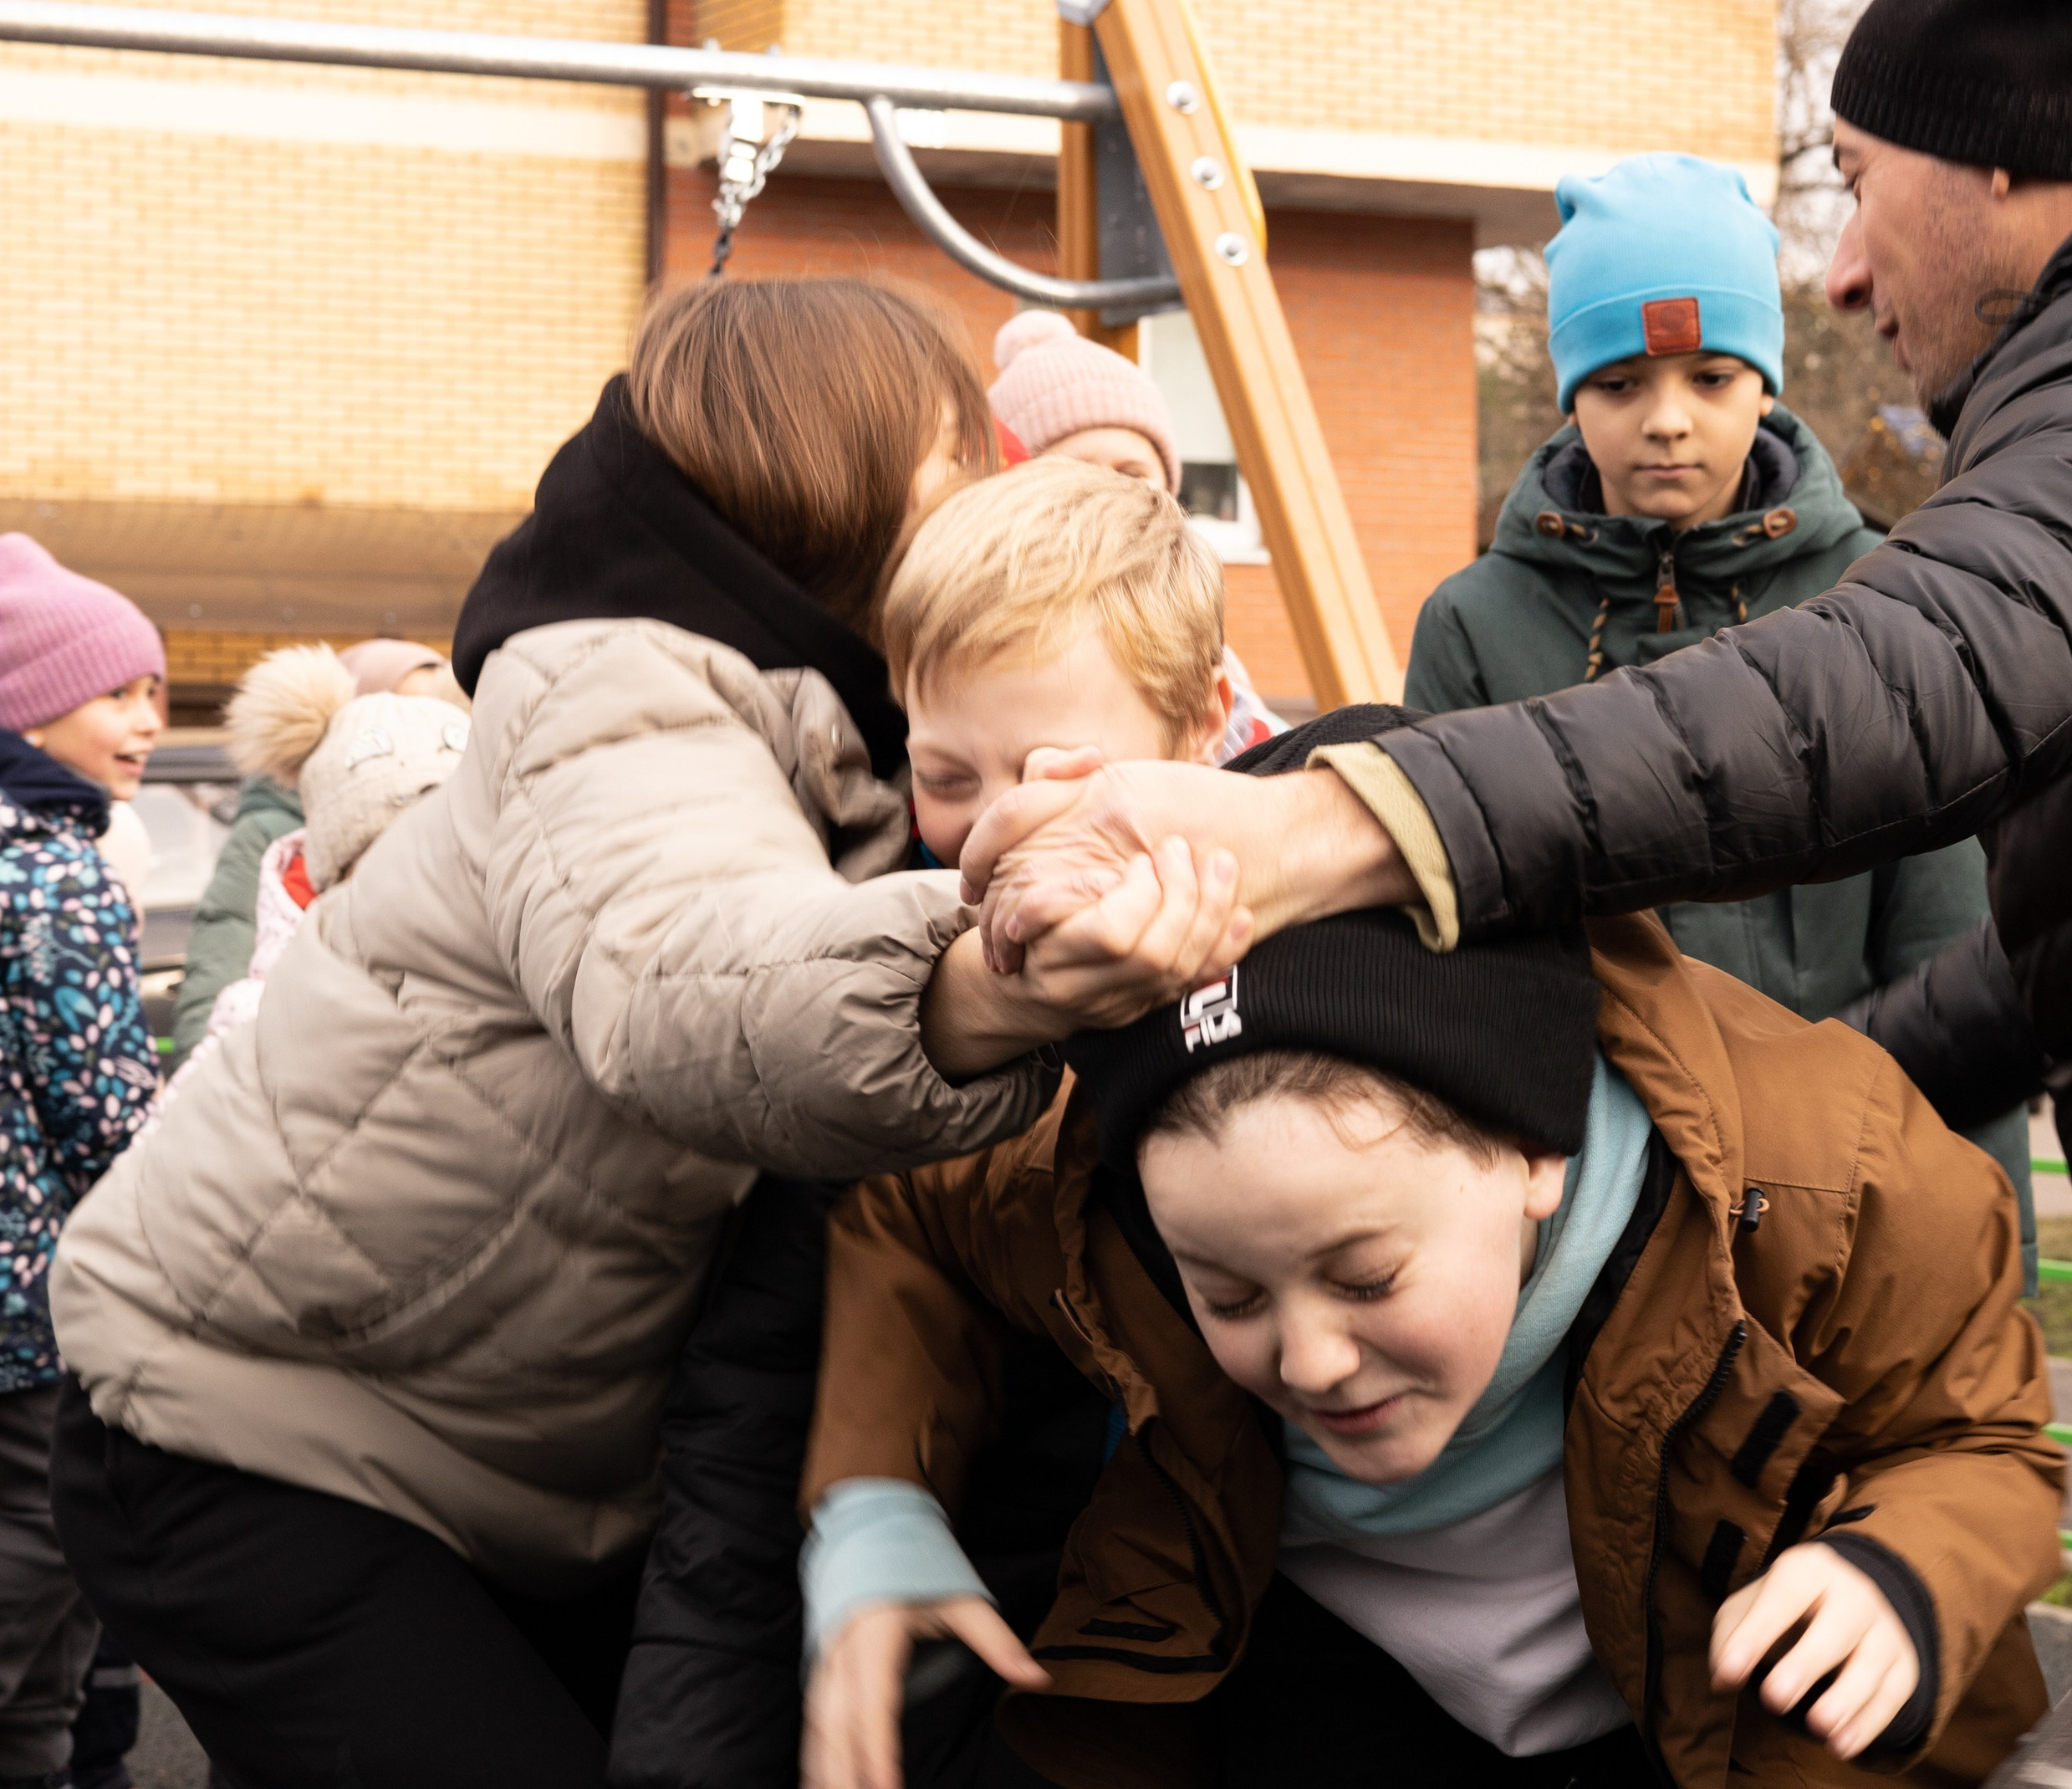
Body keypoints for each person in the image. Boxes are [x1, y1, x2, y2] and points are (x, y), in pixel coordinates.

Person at [44, 279, 1241, 1789]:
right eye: (957, 450)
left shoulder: (854, 728)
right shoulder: (617, 688)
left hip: (490, 1454)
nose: (991, 481)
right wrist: (995, 978)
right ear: (844, 471)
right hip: (252, 1426)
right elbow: (690, 983)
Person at [801, 716, 2060, 1789]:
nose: (1309, 1358)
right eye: (1226, 1291)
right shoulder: (1096, 1181)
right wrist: (872, 1510)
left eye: (1365, 1277)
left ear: (1537, 1152)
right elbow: (910, 1214)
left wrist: (1903, 1567)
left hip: (1709, 1725)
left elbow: (1983, 1440)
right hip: (1319, 1677)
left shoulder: (1832, 1183)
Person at [960, 0, 2072, 1081]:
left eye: (1855, 181)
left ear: (1998, 154)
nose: (1841, 274)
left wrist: (1320, 825)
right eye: (1623, 382)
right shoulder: (1476, 620)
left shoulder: (1917, 570)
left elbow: (1893, 691)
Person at [611, 457, 1245, 1789]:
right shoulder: (890, 1010)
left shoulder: (1324, 962)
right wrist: (868, 1513)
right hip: (990, 1592)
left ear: (1198, 729)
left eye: (1057, 767)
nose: (1002, 823)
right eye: (949, 776)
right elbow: (798, 1334)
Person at [1404, 151, 2029, 1270]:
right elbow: (1453, 984)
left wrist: (1987, 1268)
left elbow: (1951, 964)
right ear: (1568, 394)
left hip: (1843, 1209)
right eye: (1620, 384)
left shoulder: (1888, 603)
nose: (1667, 422)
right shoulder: (1470, 628)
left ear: (1767, 385)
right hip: (1588, 1231)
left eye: (1711, 377)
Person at [0, 534, 164, 1789]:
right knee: (63, 1525)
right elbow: (104, 1110)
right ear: (31, 707)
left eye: (154, 695)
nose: (146, 723)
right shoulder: (52, 872)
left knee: (1, 1537)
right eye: (118, 694)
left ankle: (15, 1766)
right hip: (9, 1283)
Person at [989, 311, 1282, 759]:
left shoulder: (1204, 643)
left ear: (1169, 489)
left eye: (1132, 474)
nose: (1114, 496)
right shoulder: (1008, 649)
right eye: (1080, 476)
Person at [170, 635, 460, 1057]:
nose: (416, 725)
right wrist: (216, 1069)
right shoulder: (274, 840)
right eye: (399, 705)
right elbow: (219, 967)